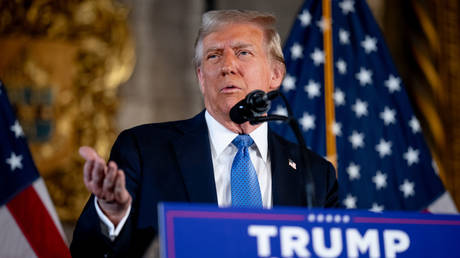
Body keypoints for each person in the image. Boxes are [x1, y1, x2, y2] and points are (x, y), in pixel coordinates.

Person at [70, 9, 338, 257]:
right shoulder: (144, 151)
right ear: (200, 76)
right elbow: (86, 253)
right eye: (214, 55)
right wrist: (111, 215)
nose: (227, 66)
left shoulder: (315, 174)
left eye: (243, 53)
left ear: (276, 74)